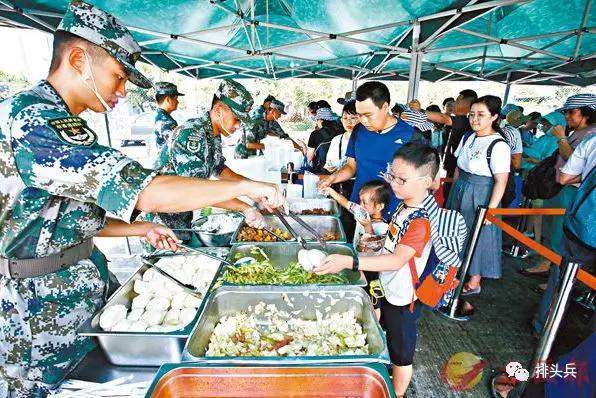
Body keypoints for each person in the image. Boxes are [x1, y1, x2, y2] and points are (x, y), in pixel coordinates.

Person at [0, 2, 284, 396]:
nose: (123, 90)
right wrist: (243, 191)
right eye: (118, 76)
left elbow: (66, 215)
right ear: (78, 59)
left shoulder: (66, 121)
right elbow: (145, 188)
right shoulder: (32, 120)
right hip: (35, 311)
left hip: (85, 286)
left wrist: (138, 227)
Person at [315, 142, 440, 398]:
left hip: (404, 298)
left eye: (401, 179)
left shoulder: (420, 220)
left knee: (401, 354)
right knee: (390, 339)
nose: (394, 184)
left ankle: (398, 393)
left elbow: (396, 260)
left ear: (426, 181)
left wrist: (351, 262)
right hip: (389, 287)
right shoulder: (404, 207)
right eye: (391, 175)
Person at [146, 79, 268, 248]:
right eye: (236, 119)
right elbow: (197, 190)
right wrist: (245, 207)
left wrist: (252, 188)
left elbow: (219, 169)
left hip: (181, 217)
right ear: (219, 110)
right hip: (161, 226)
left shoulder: (212, 132)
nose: (238, 125)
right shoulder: (191, 134)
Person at [531, 94, 595, 335]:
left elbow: (566, 174)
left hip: (578, 204)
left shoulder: (589, 138)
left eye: (573, 112)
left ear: (587, 113)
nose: (567, 117)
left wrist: (560, 139)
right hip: (575, 202)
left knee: (564, 256)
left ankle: (545, 325)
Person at [318, 81, 415, 218]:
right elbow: (351, 166)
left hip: (395, 213)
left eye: (368, 115)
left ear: (385, 107)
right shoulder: (359, 131)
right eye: (360, 114)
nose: (363, 120)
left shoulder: (410, 136)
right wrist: (332, 178)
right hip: (359, 208)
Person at [447, 95, 511, 296]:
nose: (474, 119)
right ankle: (454, 271)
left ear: (494, 117)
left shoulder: (498, 145)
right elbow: (458, 165)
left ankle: (475, 280)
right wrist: (454, 188)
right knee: (456, 232)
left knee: (479, 235)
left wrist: (490, 209)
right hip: (461, 187)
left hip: (482, 192)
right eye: (472, 114)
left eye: (481, 115)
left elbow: (501, 180)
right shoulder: (469, 137)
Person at [403, 89, 478, 197]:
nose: (454, 105)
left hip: (459, 170)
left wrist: (421, 111)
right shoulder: (462, 120)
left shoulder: (465, 120)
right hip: (453, 167)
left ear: (461, 99)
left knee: (451, 196)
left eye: (456, 101)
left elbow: (444, 118)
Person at [323, 180, 391, 253]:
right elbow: (346, 203)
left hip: (366, 262)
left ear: (379, 206)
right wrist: (330, 191)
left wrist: (367, 226)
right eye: (360, 201)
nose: (360, 205)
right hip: (357, 254)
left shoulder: (383, 227)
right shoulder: (361, 213)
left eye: (365, 203)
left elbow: (375, 248)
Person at [152, 81, 183, 167]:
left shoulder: (160, 117)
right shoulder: (167, 122)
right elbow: (177, 147)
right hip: (167, 167)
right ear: (168, 100)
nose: (178, 102)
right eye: (176, 99)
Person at [324, 100, 358, 173]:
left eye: (353, 118)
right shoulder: (336, 140)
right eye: (345, 118)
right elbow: (328, 163)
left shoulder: (368, 139)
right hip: (340, 180)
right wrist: (330, 167)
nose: (348, 122)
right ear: (341, 120)